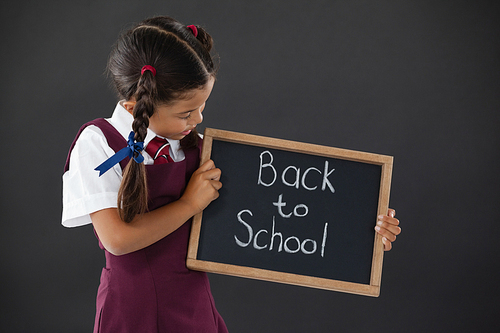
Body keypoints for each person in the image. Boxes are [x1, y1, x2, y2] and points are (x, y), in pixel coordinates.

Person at [62, 15, 401, 333]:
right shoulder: (99, 143)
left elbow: (283, 212)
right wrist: (189, 204)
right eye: (186, 113)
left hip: (194, 308)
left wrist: (362, 235)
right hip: (133, 311)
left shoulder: (198, 148)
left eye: (202, 107)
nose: (197, 120)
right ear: (140, 104)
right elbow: (117, 240)